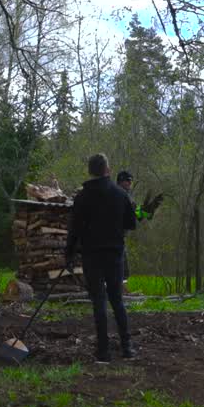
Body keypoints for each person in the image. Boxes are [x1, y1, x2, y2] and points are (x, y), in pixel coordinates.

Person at [66, 153, 138, 363]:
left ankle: (103, 351)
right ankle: (127, 348)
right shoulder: (120, 194)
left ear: (90, 171)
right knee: (117, 300)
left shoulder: (82, 197)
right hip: (114, 254)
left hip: (92, 255)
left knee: (98, 301)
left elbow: (74, 230)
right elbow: (131, 224)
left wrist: (69, 254)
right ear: (108, 170)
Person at [114, 169, 162, 294]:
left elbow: (136, 215)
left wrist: (148, 209)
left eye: (131, 181)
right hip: (112, 237)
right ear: (120, 182)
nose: (130, 183)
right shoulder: (116, 194)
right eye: (128, 181)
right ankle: (117, 293)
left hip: (120, 237)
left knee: (124, 268)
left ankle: (121, 292)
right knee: (119, 266)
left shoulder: (127, 196)